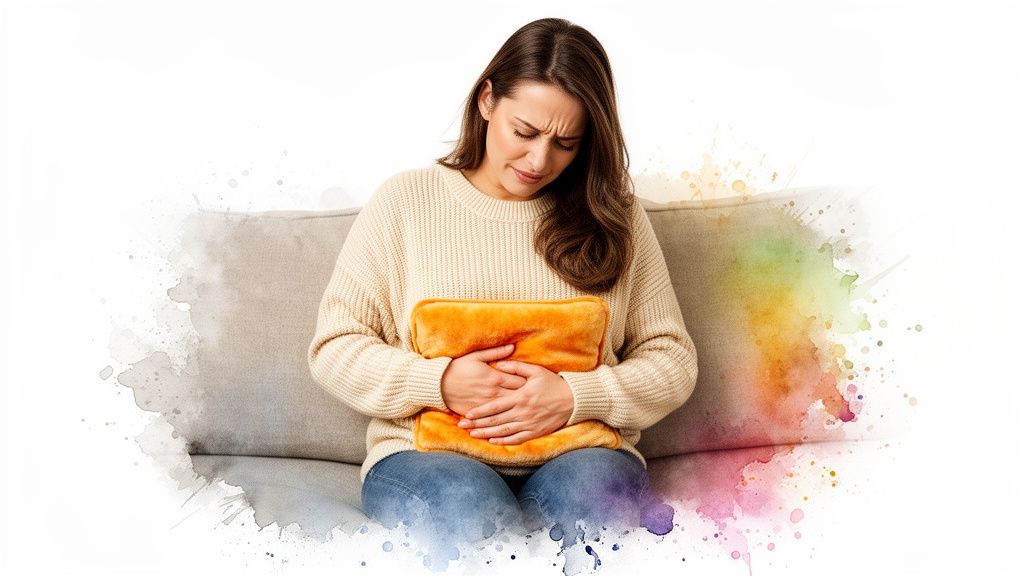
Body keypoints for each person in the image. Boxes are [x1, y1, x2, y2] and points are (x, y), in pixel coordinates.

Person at [307, 17, 698, 569]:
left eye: (566, 142)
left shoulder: (615, 216)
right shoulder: (405, 203)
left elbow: (672, 360)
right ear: (487, 100)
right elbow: (335, 348)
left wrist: (575, 397)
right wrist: (438, 382)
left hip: (582, 452)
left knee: (594, 513)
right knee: (473, 516)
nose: (540, 161)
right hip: (426, 458)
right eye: (525, 131)